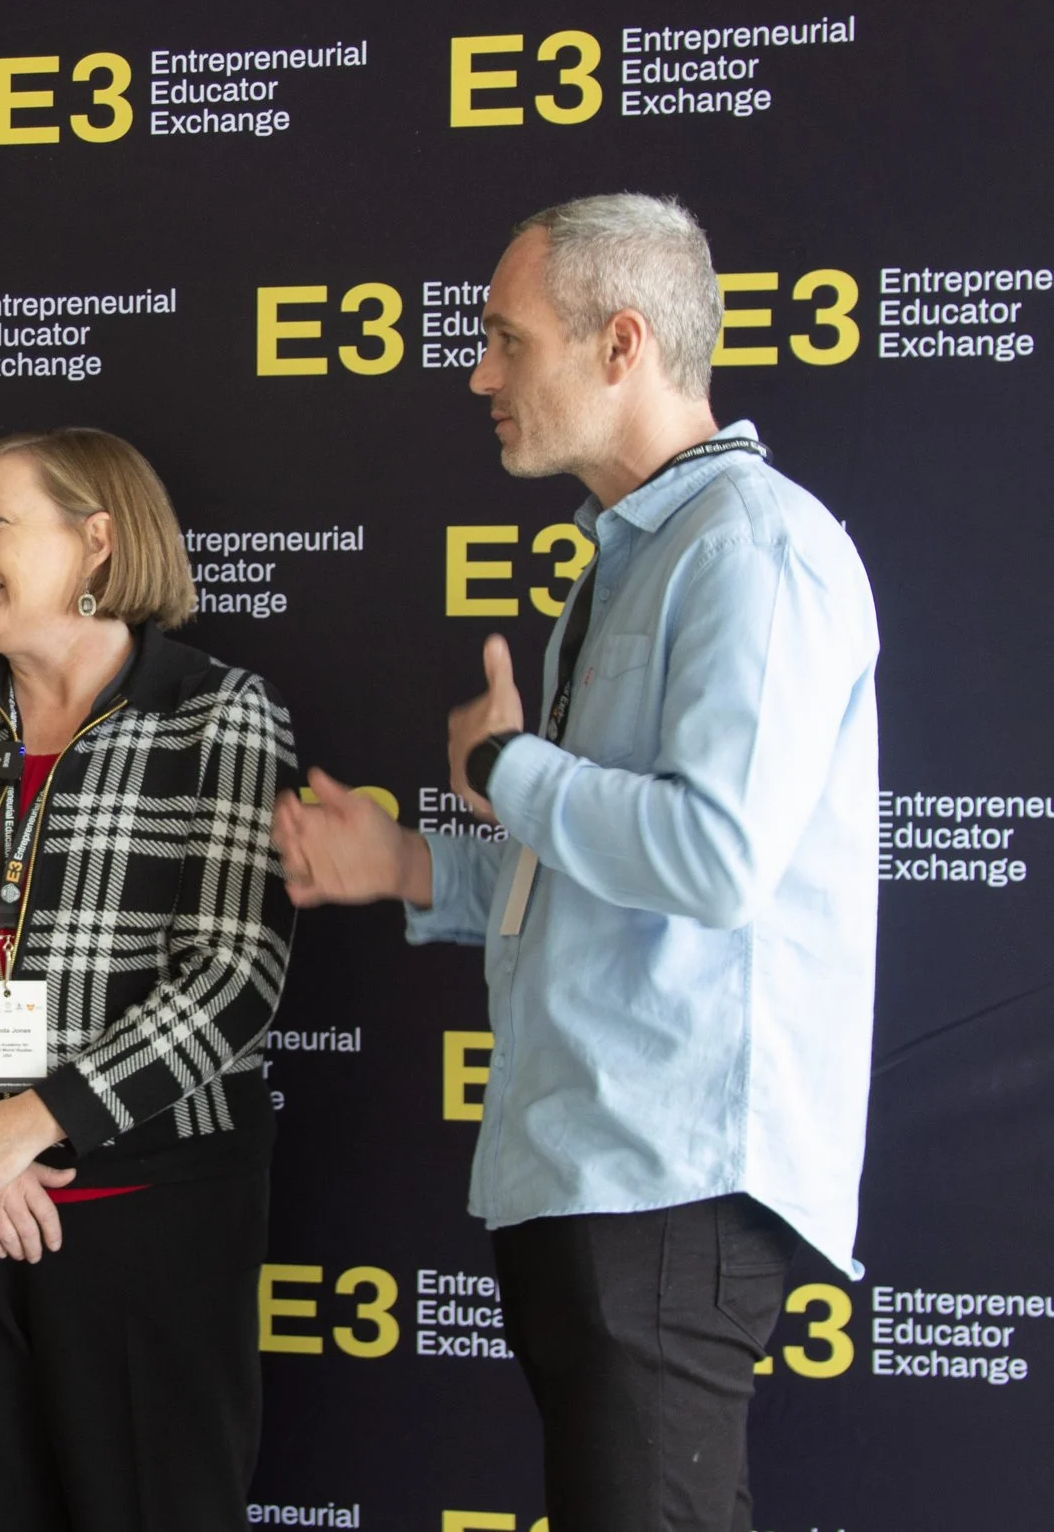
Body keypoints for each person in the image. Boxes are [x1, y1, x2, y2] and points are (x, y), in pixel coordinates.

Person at [272, 194, 879, 1532]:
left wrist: (508, 770)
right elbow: (595, 870)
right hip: (598, 1175)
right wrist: (411, 866)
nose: (479, 374)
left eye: (505, 340)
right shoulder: (633, 563)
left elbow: (717, 858)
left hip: (671, 1180)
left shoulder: (753, 548)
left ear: (621, 344)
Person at [0, 428, 297, 1532]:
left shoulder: (217, 709)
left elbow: (234, 969)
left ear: (97, 540)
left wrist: (35, 1120)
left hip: (145, 1209)